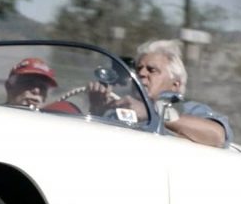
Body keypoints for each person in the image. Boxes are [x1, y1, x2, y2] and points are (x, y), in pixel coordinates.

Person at [88, 39, 232, 148]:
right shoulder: (123, 108)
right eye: (139, 69)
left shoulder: (189, 110)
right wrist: (97, 109)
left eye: (152, 70)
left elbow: (217, 136)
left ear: (175, 84)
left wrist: (151, 113)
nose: (142, 73)